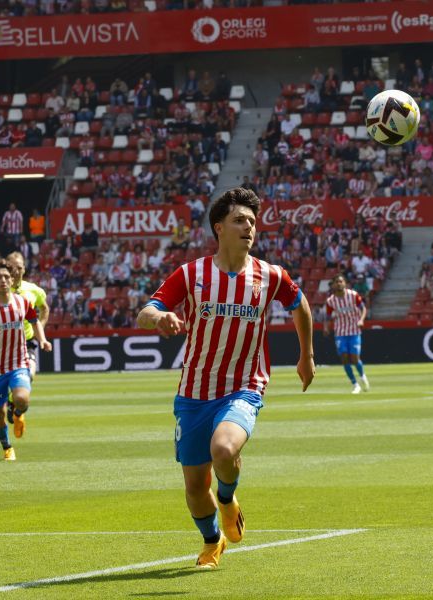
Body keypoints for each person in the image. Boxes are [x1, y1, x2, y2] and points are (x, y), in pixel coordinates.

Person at [137, 188, 315, 569]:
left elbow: (300, 305)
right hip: (194, 392)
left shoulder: (270, 275)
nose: (248, 227)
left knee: (223, 449)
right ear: (219, 227)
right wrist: (160, 317)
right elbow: (145, 312)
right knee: (194, 487)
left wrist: (307, 355)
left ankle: (228, 496)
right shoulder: (192, 274)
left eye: (252, 221)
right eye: (239, 220)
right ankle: (212, 539)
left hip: (244, 386)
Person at [0, 260, 51, 460]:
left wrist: (42, 339)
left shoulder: (22, 303)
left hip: (18, 363)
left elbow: (34, 321)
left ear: (12, 280)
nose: (4, 280)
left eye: (7, 276)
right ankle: (7, 447)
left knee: (22, 398)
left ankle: (18, 413)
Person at [324, 274, 369, 393]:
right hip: (340, 332)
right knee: (344, 358)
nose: (339, 284)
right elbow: (328, 316)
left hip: (354, 330)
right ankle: (355, 384)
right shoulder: (330, 301)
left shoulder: (353, 295)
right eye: (336, 282)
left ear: (345, 283)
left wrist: (361, 320)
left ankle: (362, 375)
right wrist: (326, 327)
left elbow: (363, 309)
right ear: (334, 285)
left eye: (341, 281)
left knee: (354, 359)